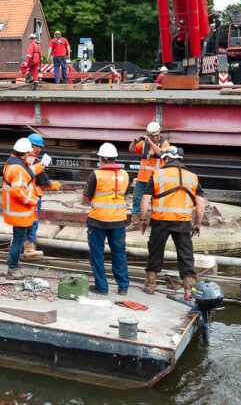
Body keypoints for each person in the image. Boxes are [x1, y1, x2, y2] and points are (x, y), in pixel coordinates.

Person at [139, 146, 206, 298]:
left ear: (166, 159)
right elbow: (200, 202)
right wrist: (197, 223)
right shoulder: (192, 177)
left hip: (160, 220)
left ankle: (150, 286)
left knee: (155, 252)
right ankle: (189, 289)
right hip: (182, 222)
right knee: (186, 254)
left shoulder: (157, 174)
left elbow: (145, 199)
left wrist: (143, 219)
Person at [81, 143, 131, 295]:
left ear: (101, 159)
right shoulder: (125, 174)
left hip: (98, 221)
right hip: (118, 221)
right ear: (115, 159)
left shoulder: (95, 174)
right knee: (119, 253)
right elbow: (125, 195)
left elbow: (86, 197)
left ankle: (102, 287)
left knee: (97, 253)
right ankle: (123, 287)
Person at [2, 138, 41, 279]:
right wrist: (33, 200)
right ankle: (13, 269)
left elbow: (27, 171)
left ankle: (14, 263)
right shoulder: (18, 169)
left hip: (17, 211)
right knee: (19, 241)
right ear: (25, 153)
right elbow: (17, 191)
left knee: (19, 239)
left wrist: (40, 166)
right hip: (20, 212)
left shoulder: (12, 163)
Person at [128, 121, 170, 224]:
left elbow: (161, 154)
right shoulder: (143, 144)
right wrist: (134, 142)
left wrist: (151, 143)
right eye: (149, 135)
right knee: (137, 200)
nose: (151, 138)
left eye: (153, 136)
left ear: (158, 133)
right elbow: (131, 150)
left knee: (155, 201)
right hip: (142, 178)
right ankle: (136, 223)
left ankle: (154, 223)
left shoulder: (164, 144)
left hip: (156, 179)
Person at [25, 133, 55, 260]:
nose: (39, 149)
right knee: (33, 221)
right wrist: (51, 184)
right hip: (34, 196)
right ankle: (29, 249)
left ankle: (19, 242)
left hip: (23, 195)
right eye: (38, 147)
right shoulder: (36, 162)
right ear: (33, 146)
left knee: (23, 220)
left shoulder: (21, 159)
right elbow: (43, 179)